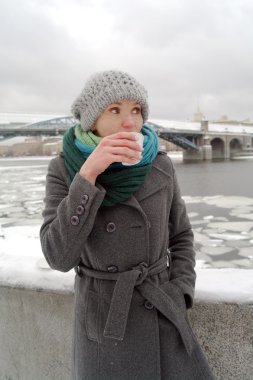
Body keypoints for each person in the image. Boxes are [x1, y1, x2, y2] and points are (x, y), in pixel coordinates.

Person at [40, 70, 214, 380]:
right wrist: (88, 176)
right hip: (104, 323)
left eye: (136, 110)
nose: (130, 122)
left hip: (162, 312)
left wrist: (181, 291)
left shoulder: (159, 165)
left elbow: (183, 235)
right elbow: (58, 257)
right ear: (92, 118)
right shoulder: (64, 169)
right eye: (115, 110)